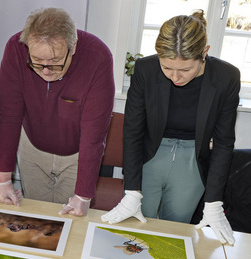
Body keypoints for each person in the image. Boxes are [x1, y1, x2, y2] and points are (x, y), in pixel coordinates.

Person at [101, 10, 240, 245]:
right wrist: (132, 190)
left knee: (173, 231)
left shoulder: (227, 77)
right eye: (167, 68)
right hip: (150, 152)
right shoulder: (145, 69)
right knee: (134, 229)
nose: (175, 76)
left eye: (185, 70)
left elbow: (224, 141)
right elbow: (133, 130)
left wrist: (214, 201)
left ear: (204, 53)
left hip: (192, 157)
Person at [0, 7, 115, 216]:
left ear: (73, 46)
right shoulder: (16, 48)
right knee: (35, 217)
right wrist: (4, 180)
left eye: (55, 62)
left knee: (71, 222)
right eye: (37, 61)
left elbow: (93, 136)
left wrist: (83, 195)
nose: (45, 70)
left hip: (78, 154)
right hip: (32, 146)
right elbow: (9, 117)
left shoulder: (98, 57)